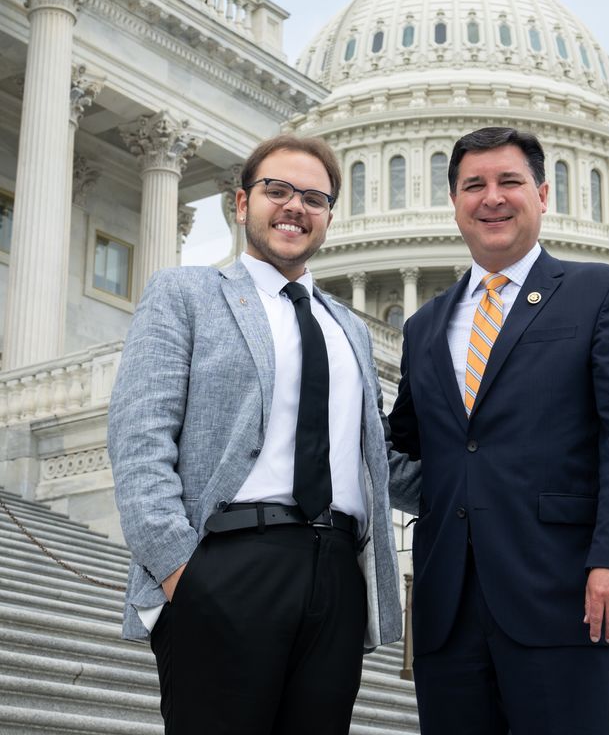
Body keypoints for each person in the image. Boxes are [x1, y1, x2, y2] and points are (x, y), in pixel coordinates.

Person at [108, 134, 419, 735]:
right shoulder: (186, 294)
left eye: (313, 197)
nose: (294, 206)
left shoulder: (348, 328)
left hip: (336, 575)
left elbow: (379, 461)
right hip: (228, 562)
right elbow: (140, 439)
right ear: (241, 202)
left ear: (329, 216)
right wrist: (182, 574)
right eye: (277, 190)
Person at [387, 126, 609, 735]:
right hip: (447, 608)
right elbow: (405, 447)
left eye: (509, 182)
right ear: (454, 203)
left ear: (542, 194)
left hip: (564, 596)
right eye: (473, 185)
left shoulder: (600, 293)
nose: (492, 197)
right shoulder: (424, 327)